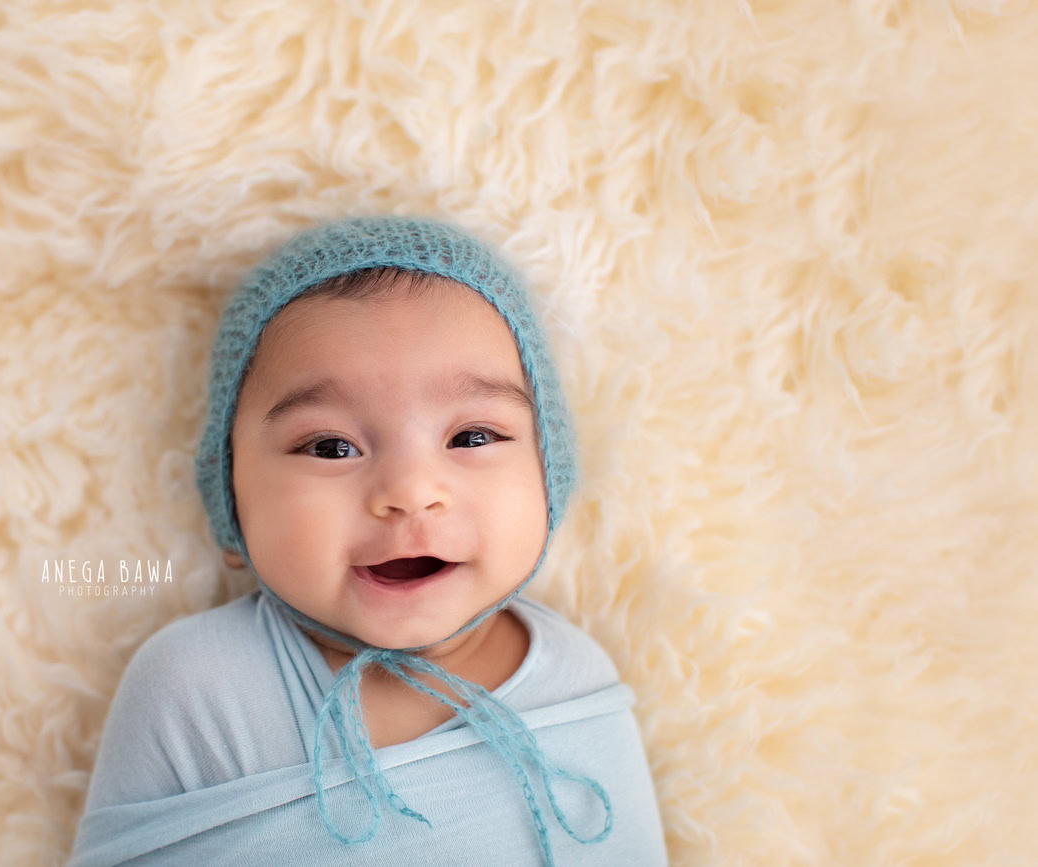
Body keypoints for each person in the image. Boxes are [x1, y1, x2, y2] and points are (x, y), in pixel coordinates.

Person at [67, 215, 668, 866]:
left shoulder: (577, 681)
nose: (410, 491)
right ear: (231, 500)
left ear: (549, 472)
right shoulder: (194, 684)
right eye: (330, 446)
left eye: (472, 437)